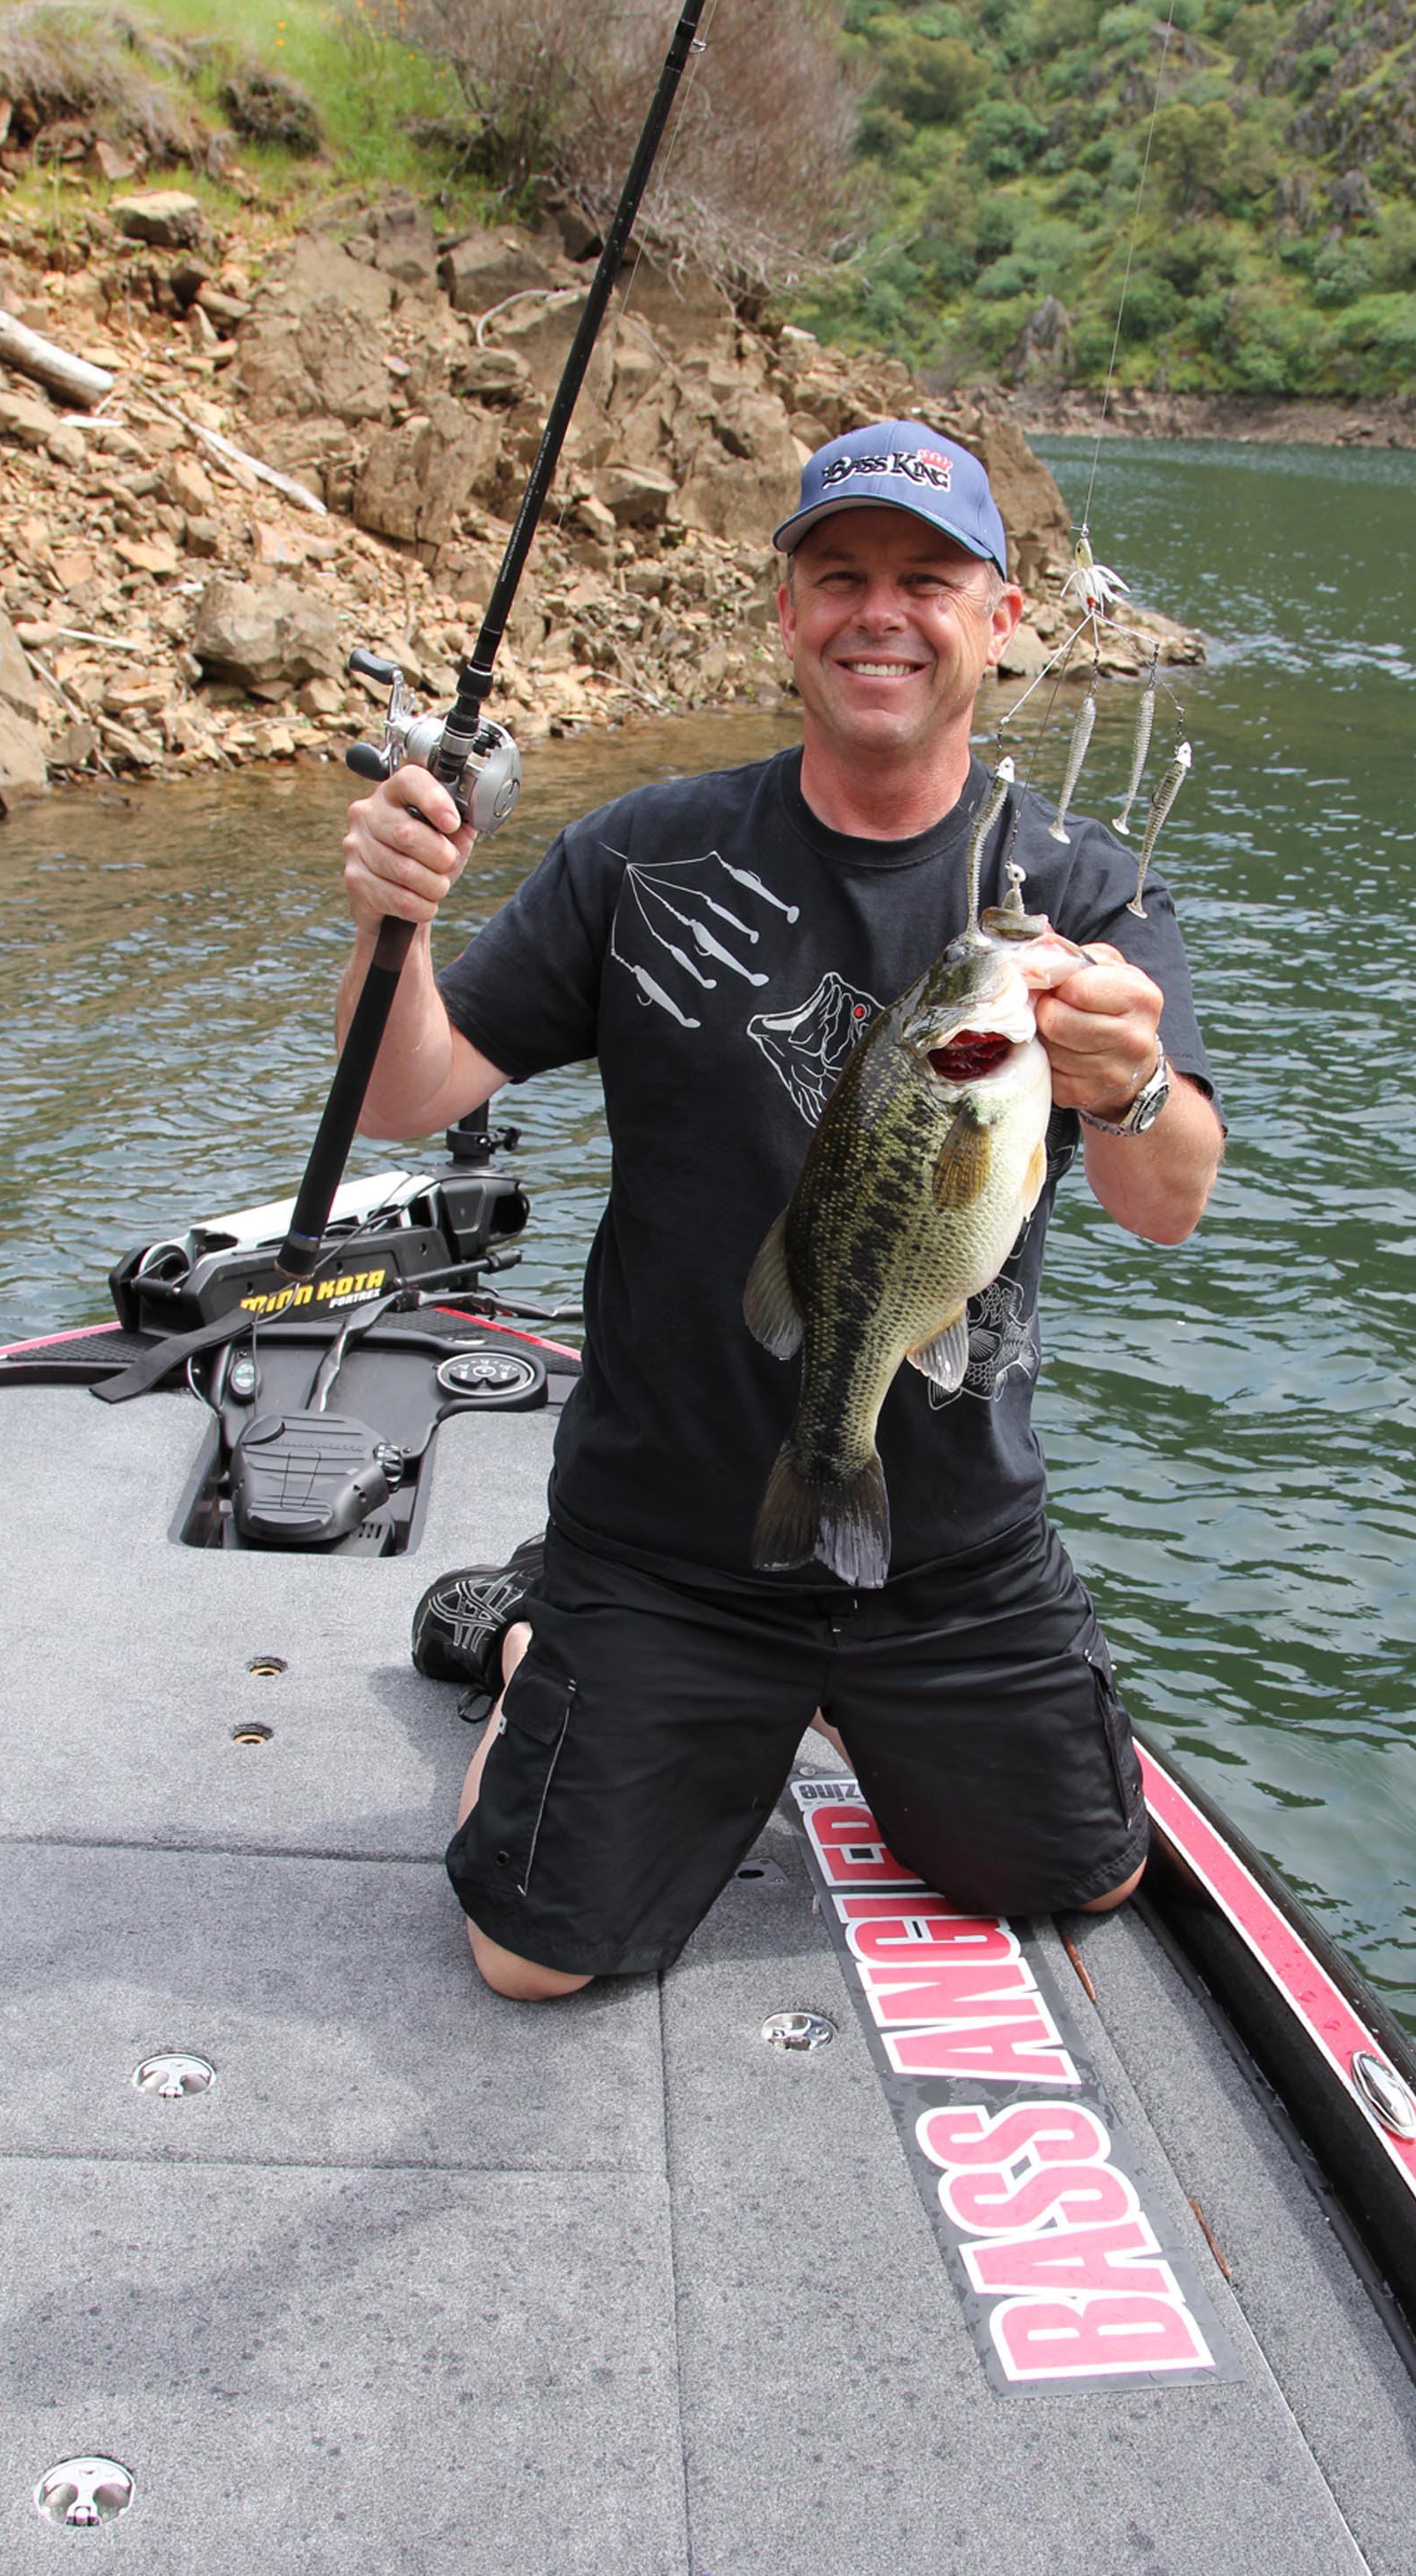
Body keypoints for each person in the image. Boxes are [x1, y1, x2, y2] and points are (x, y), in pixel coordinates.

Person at [338, 419, 1225, 2001]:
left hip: (954, 1544)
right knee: (532, 1961)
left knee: (1082, 1879)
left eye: (927, 581)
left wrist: (1132, 1083)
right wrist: (389, 923)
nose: (882, 614)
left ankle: (834, 1694)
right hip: (664, 1540)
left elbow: (1166, 1207)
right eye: (841, 578)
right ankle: (547, 1635)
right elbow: (405, 1096)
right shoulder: (644, 853)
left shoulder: (1080, 889)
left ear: (1000, 617)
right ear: (787, 611)